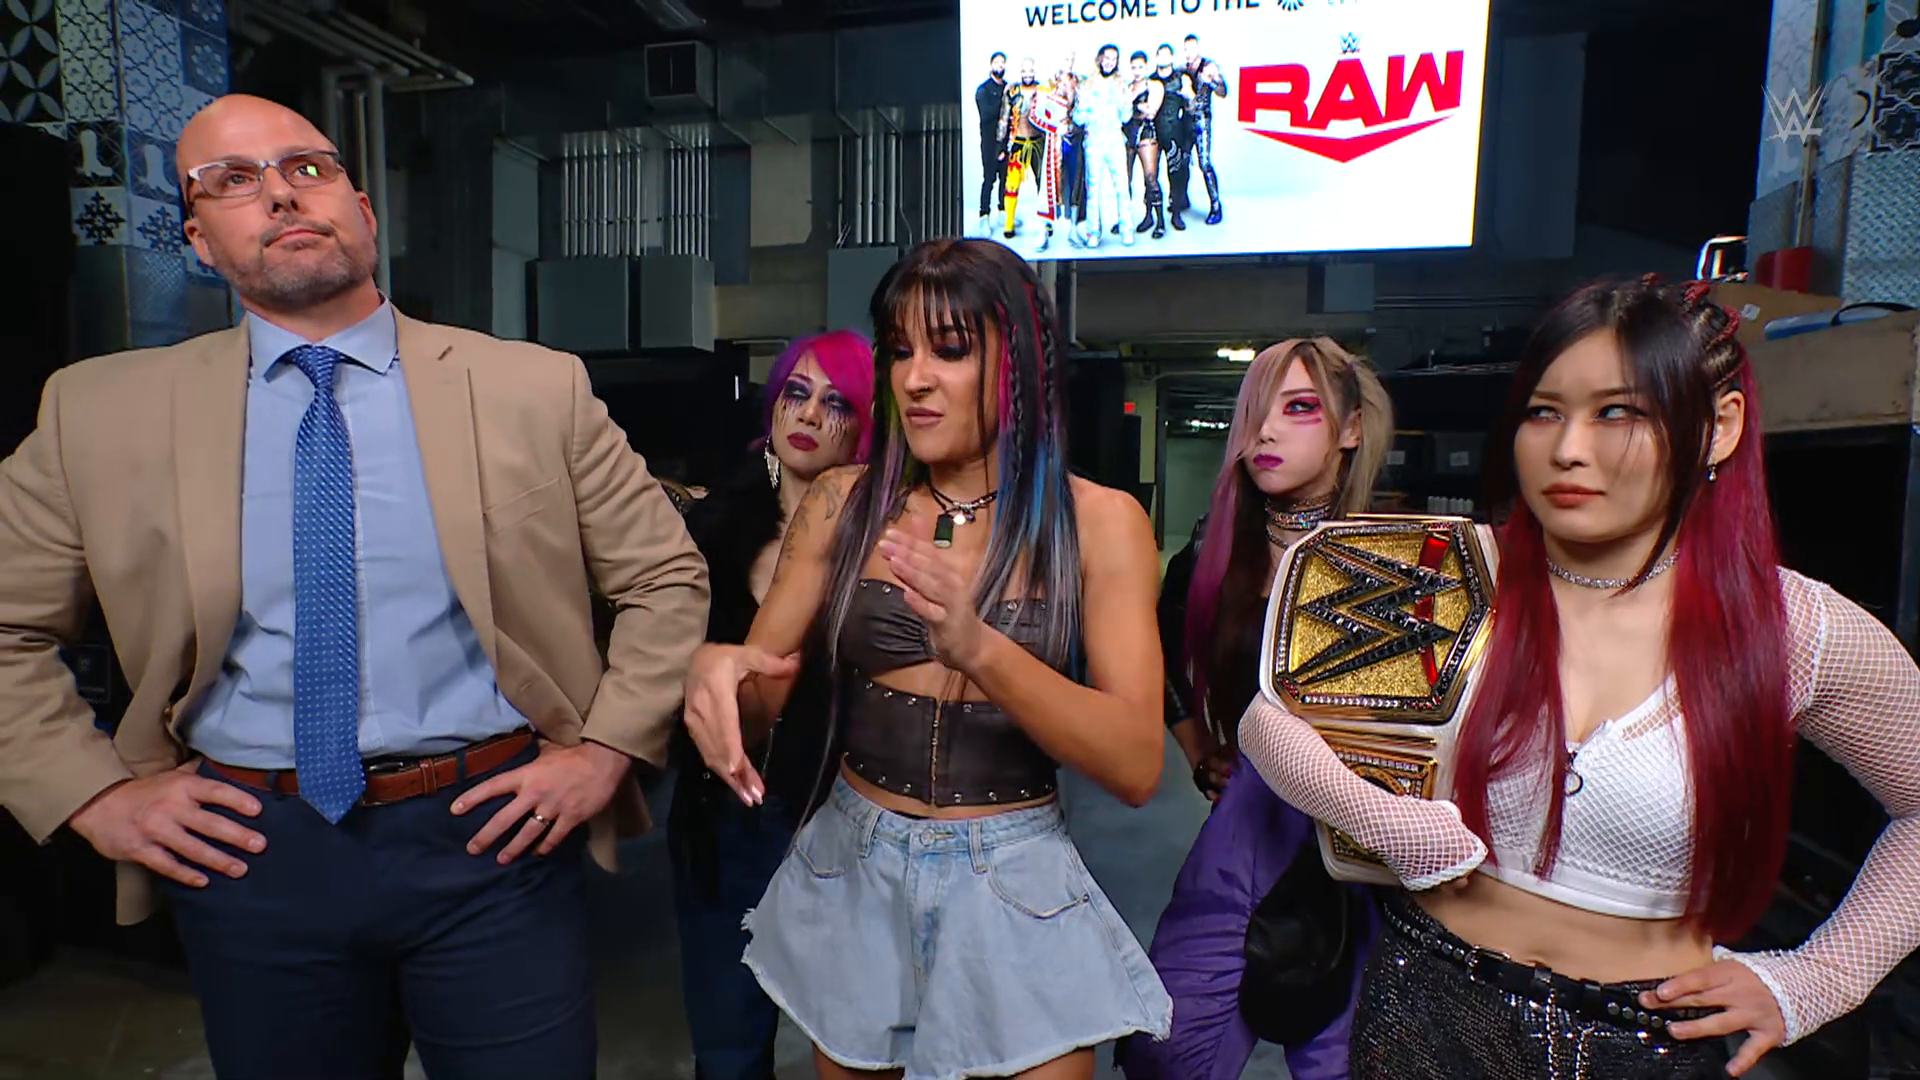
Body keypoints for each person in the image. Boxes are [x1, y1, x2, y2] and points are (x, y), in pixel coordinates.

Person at [0, 95, 710, 1079]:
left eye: (308, 167)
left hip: (491, 837)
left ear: (364, 211)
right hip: (249, 852)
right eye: (233, 181)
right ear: (198, 239)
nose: (281, 195)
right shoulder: (97, 411)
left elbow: (665, 577)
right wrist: (93, 794)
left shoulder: (532, 388)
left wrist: (606, 749)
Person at [1240, 278, 1920, 1079]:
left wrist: (1818, 978)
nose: (1568, 448)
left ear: (1721, 427)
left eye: (1617, 412)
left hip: (1648, 1041)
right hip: (1428, 1005)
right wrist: (1382, 821)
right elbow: (1267, 720)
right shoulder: (1445, 574)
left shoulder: (1793, 627)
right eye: (1544, 412)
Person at [682, 238, 1173, 1080]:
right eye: (899, 350)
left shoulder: (1099, 522)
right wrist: (719, 678)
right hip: (856, 860)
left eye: (948, 350)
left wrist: (980, 649)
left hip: (1014, 868)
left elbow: (1135, 765)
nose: (913, 378)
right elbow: (761, 688)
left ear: (1019, 364)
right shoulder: (843, 501)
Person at [1119, 340, 1394, 1080]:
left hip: (1361, 832)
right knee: (1166, 1052)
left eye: (1299, 409)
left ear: (1351, 428)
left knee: (1343, 1060)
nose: (1265, 432)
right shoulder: (1214, 552)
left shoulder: (1392, 556)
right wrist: (1199, 749)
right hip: (1249, 819)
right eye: (1254, 413)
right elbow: (1160, 651)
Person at [668, 330, 876, 1080]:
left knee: (858, 1043)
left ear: (865, 424)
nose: (809, 415)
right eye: (796, 391)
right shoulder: (710, 525)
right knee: (728, 1049)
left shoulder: (880, 539)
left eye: (837, 402)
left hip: (842, 812)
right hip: (724, 810)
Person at [1074, 44, 1134, 249]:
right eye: (1107, 58)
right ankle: (1093, 233)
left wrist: (1127, 101)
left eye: (1114, 59)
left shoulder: (1121, 84)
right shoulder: (1087, 84)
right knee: (1093, 189)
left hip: (1115, 140)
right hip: (1094, 142)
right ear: (1099, 59)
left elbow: (1126, 118)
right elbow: (1078, 119)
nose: (1110, 62)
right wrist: (1082, 105)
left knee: (1122, 187)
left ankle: (1126, 229)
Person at [1181, 34, 1229, 226]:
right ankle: (1181, 199)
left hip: (1202, 120)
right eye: (1186, 49)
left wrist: (1212, 82)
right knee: (1182, 160)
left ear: (1198, 49)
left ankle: (1216, 206)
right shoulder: (1182, 69)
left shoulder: (1208, 66)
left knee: (1204, 163)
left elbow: (1223, 92)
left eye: (1192, 49)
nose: (1189, 53)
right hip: (1186, 119)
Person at [1152, 45, 1194, 233]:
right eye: (1160, 55)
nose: (1163, 58)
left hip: (1174, 131)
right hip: (1153, 132)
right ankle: (1151, 216)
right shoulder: (1150, 79)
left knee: (1175, 173)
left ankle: (1176, 213)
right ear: (1156, 58)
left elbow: (1191, 104)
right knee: (1151, 175)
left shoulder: (1181, 79)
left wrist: (1189, 96)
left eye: (1166, 55)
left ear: (1172, 58)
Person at [1125, 51, 1168, 240]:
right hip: (1128, 134)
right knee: (1124, 179)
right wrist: (1137, 108)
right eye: (1134, 67)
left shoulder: (1154, 85)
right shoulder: (1128, 87)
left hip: (1146, 133)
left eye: (1140, 67)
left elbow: (1151, 113)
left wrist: (1132, 108)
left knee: (1150, 178)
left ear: (1147, 67)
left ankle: (1160, 222)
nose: (1137, 71)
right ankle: (1127, 219)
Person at [974, 52, 1010, 239]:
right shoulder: (983, 90)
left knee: (1006, 178)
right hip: (989, 142)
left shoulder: (1008, 88)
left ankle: (1004, 212)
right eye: (997, 62)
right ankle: (984, 216)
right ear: (991, 65)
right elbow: (986, 114)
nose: (1000, 65)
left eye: (1003, 62)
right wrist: (1003, 101)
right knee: (989, 179)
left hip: (1006, 142)